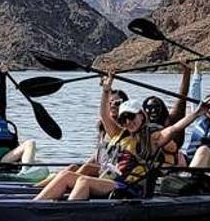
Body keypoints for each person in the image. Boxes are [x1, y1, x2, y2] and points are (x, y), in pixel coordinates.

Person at [35, 71, 195, 201]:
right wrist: (106, 90)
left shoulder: (152, 137)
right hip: (111, 180)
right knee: (66, 174)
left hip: (130, 187)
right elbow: (104, 115)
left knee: (83, 181)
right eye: (124, 118)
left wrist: (197, 112)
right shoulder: (119, 133)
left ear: (141, 115)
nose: (128, 121)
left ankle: (66, 215)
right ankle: (35, 205)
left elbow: (175, 128)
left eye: (131, 117)